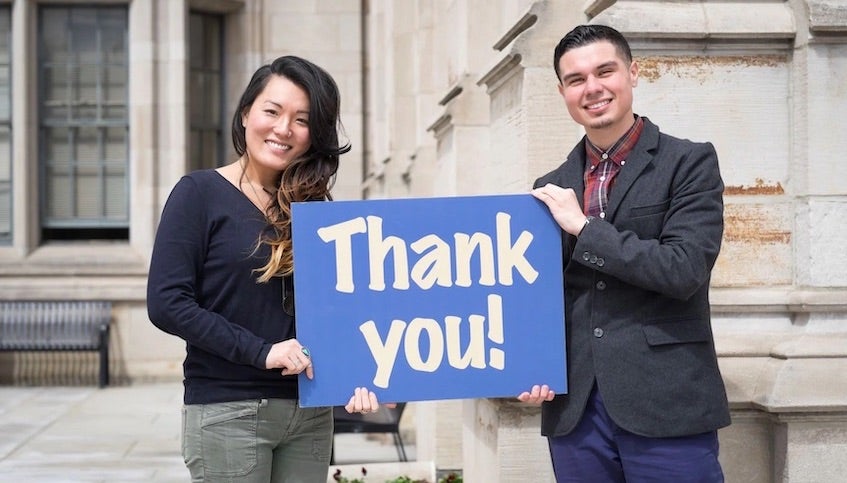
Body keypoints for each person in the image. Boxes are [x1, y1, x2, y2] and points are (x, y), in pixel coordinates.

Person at [147, 55, 384, 483]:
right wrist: (263, 352)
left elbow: (339, 310)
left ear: (315, 136)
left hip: (310, 414)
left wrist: (354, 375)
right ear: (245, 115)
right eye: (272, 111)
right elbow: (167, 303)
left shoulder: (315, 210)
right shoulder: (198, 194)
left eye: (301, 120)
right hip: (228, 411)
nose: (283, 129)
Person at [519, 25, 731, 482]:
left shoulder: (689, 163)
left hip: (666, 403)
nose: (592, 88)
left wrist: (584, 229)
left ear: (633, 73)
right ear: (562, 92)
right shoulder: (549, 188)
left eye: (605, 71)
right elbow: (539, 297)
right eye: (576, 80)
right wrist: (528, 364)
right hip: (575, 412)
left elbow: (685, 269)